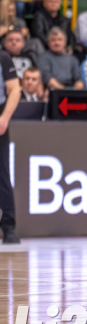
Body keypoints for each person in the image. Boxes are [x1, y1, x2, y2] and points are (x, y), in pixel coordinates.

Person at [0, 47, 22, 243]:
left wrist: (4, 118)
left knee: (2, 173)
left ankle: (9, 226)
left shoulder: (3, 58)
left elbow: (15, 89)